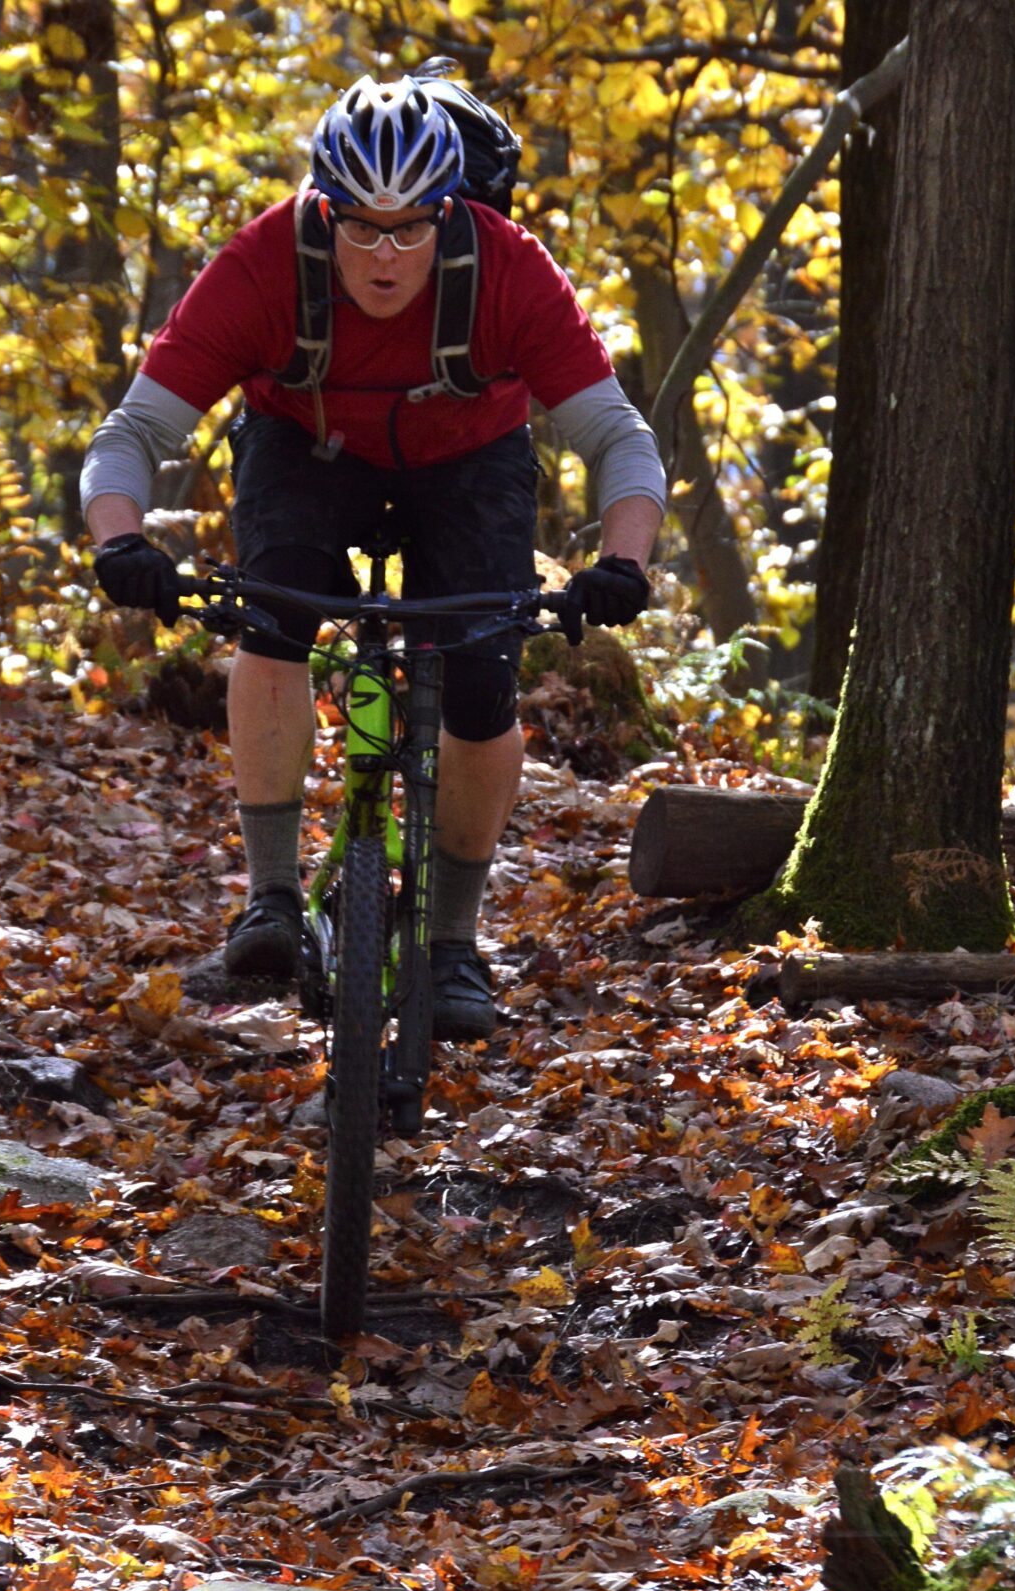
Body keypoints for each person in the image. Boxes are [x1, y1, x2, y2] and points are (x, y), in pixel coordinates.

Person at [81, 72, 666, 1039]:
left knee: (479, 676)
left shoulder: (509, 268)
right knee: (275, 614)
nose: (385, 254)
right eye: (359, 226)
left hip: (470, 458)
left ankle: (454, 947)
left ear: (450, 212)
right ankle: (270, 898)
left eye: (411, 229)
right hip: (305, 449)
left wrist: (625, 563)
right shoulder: (267, 260)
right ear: (324, 210)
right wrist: (122, 542)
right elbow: (134, 431)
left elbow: (619, 437)